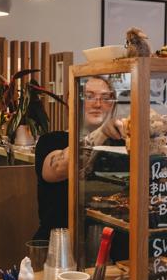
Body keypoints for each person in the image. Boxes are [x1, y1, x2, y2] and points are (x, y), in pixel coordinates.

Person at [33, 76, 123, 240]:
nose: (97, 104)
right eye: (89, 96)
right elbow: (57, 169)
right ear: (72, 103)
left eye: (105, 98)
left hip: (115, 248)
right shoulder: (51, 141)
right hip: (61, 245)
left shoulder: (122, 146)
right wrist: (101, 132)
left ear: (113, 104)